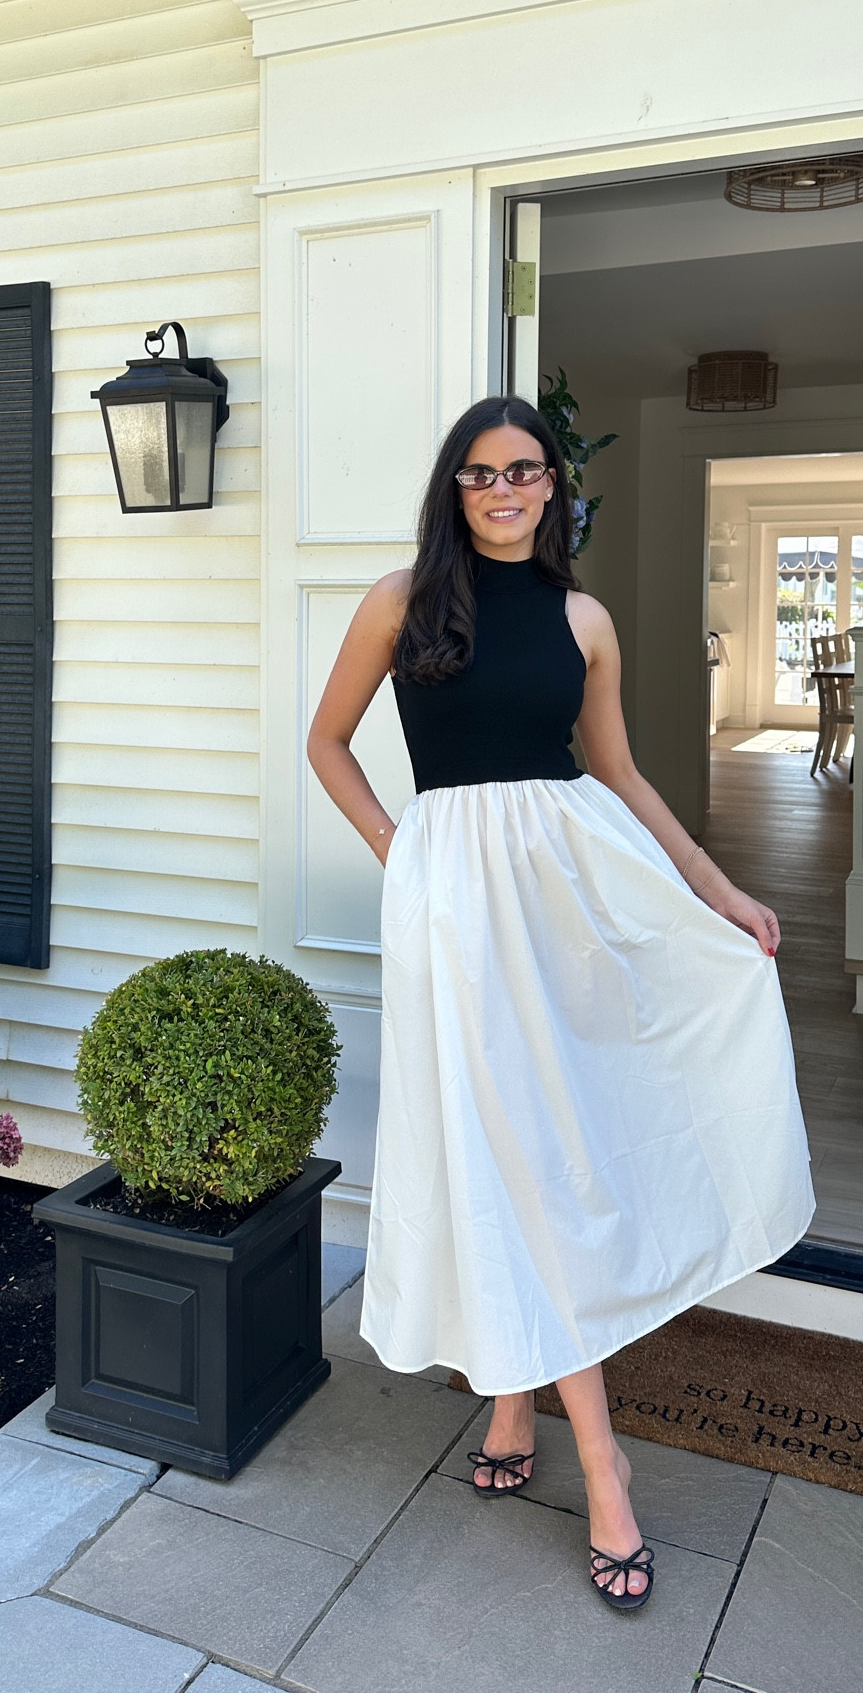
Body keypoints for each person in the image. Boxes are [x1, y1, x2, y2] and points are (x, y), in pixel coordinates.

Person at [307, 395, 814, 1612]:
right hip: (456, 919)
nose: (504, 490)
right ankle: (602, 1458)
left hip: (567, 903)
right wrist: (404, 855)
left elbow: (619, 772)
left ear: (555, 488)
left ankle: (521, 1399)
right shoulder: (399, 601)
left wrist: (720, 888)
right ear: (456, 488)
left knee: (549, 1151)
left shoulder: (584, 619)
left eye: (525, 470)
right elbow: (327, 742)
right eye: (480, 473)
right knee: (507, 1151)